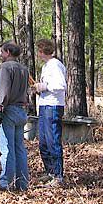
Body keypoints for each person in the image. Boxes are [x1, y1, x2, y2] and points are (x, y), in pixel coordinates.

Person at [0, 41, 30, 192]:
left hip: (8, 110)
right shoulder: (24, 69)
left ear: (8, 52)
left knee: (7, 148)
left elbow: (4, 89)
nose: (0, 55)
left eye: (1, 52)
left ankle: (6, 183)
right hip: (21, 111)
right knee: (19, 148)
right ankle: (22, 184)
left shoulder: (5, 67)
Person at [33, 39, 67, 188]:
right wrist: (38, 88)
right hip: (44, 105)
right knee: (44, 142)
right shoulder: (46, 66)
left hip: (53, 106)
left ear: (42, 51)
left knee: (53, 141)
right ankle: (50, 172)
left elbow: (61, 86)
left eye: (39, 51)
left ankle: (58, 176)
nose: (38, 54)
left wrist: (44, 87)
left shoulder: (55, 65)